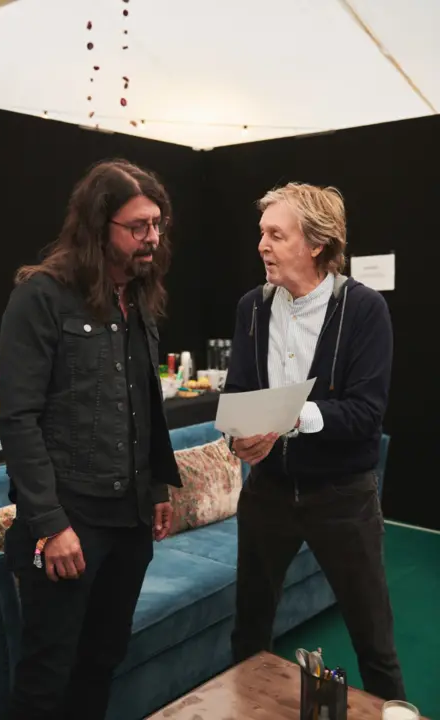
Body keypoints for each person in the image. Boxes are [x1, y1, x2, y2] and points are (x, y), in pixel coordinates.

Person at [0, 159, 182, 720]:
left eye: (157, 224)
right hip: (69, 521)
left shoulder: (139, 297)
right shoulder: (42, 296)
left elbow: (142, 404)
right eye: (138, 227)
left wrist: (156, 485)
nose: (152, 238)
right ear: (99, 227)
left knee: (102, 659)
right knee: (47, 673)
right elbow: (19, 419)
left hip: (128, 523)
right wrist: (51, 526)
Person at [224, 182, 406, 701]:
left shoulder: (365, 310)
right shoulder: (251, 308)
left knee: (374, 643)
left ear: (316, 244)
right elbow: (239, 391)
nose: (262, 245)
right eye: (262, 233)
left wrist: (287, 418)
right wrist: (242, 439)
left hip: (343, 499)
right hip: (267, 495)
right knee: (250, 633)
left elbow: (366, 414)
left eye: (276, 235)